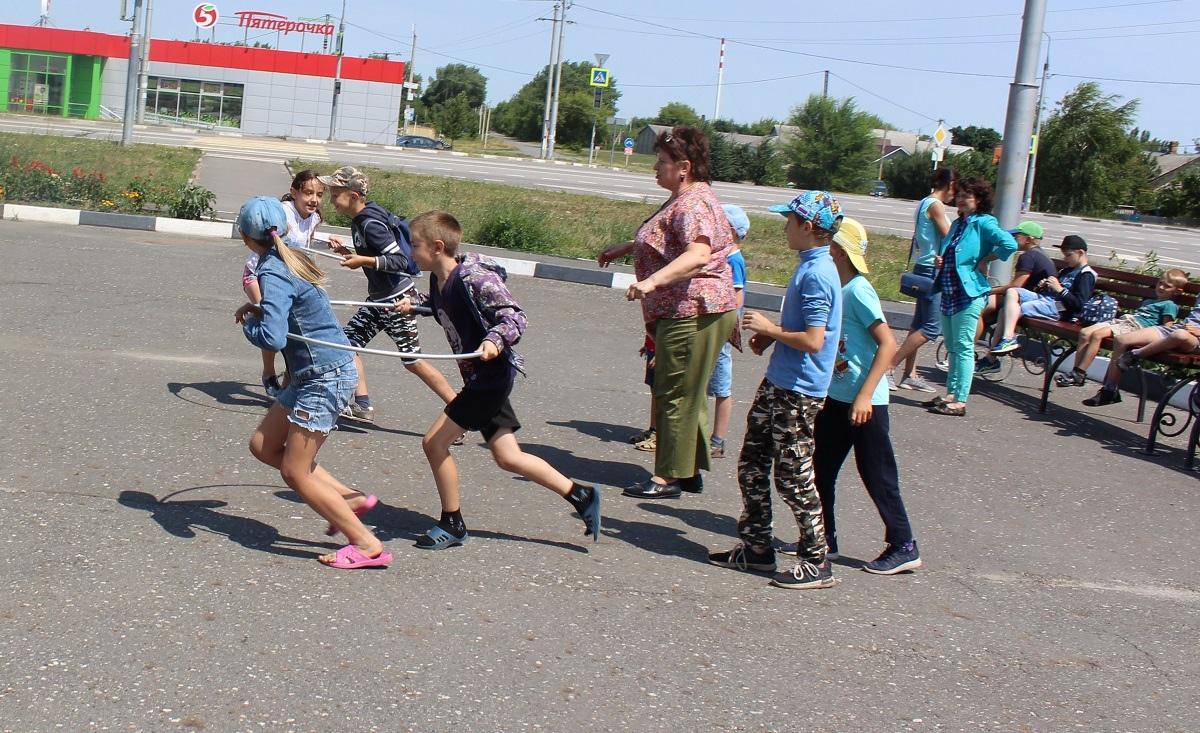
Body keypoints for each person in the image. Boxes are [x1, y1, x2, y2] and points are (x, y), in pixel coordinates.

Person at [395, 211, 601, 549]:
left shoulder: (475, 280)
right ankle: (581, 496)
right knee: (508, 457)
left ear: (437, 247)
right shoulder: (437, 279)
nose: (409, 251)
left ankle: (453, 523)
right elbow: (441, 304)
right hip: (482, 378)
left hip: (488, 381)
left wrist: (495, 339)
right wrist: (413, 304)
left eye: (413, 245)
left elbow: (514, 316)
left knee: (434, 443)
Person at [235, 196, 392, 570]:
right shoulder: (290, 254)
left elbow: (272, 338)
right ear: (284, 229)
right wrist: (261, 308)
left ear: (244, 237)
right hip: (314, 372)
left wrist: (252, 325)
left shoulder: (272, 271)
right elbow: (291, 310)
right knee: (263, 445)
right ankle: (347, 498)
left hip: (324, 376)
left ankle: (366, 544)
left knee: (294, 470)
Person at [707, 190, 844, 591]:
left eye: (789, 220)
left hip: (799, 391)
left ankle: (817, 559)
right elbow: (802, 325)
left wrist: (770, 330)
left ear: (807, 227)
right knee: (752, 463)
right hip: (780, 381)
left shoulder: (818, 272)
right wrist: (772, 339)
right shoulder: (809, 265)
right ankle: (757, 548)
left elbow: (817, 340)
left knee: (793, 475)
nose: (784, 226)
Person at [598, 126, 738, 500]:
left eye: (662, 162)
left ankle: (667, 477)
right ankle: (687, 470)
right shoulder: (687, 197)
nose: (655, 168)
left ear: (684, 167)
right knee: (685, 391)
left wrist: (652, 282)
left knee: (674, 392)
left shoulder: (693, 203)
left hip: (691, 310)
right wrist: (627, 247)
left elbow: (698, 254)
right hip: (691, 310)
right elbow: (669, 239)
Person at [813, 218, 921, 574]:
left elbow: (887, 344)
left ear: (837, 251)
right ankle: (822, 538)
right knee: (819, 468)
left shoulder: (859, 290)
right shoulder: (837, 286)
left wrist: (864, 395)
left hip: (866, 402)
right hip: (837, 396)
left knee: (877, 473)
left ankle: (904, 544)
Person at [318, 165, 456, 422]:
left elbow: (399, 261)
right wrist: (347, 253)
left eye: (336, 193)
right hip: (379, 300)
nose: (331, 199)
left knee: (412, 361)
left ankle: (463, 412)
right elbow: (372, 255)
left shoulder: (370, 223)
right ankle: (362, 405)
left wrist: (363, 261)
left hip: (395, 301)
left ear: (354, 196)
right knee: (345, 345)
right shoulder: (360, 221)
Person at [924, 177, 1017, 417]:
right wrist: (942, 261)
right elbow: (954, 252)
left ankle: (960, 400)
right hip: (949, 291)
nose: (961, 199)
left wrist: (986, 259)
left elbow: (1009, 243)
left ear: (979, 199)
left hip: (969, 293)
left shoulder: (983, 222)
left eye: (967, 195)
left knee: (964, 347)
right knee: (953, 347)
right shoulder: (958, 223)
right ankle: (951, 395)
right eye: (960, 194)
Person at [241, 169, 328, 397]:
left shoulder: (315, 217)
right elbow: (287, 245)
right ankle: (269, 374)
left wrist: (329, 244)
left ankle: (291, 381)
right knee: (271, 320)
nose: (314, 199)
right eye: (308, 193)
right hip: (258, 274)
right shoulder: (283, 213)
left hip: (286, 275)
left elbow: (305, 245)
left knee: (290, 328)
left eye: (319, 194)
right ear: (294, 192)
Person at [1054, 269, 1186, 389]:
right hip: (1124, 321)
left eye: (1167, 286)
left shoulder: (1169, 305)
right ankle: (1076, 372)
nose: (1161, 287)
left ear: (1177, 291)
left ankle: (1079, 373)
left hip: (1135, 327)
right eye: (1160, 283)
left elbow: (1166, 328)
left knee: (1097, 335)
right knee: (1085, 332)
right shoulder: (1149, 302)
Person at [888, 168, 955, 393]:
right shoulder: (936, 205)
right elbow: (950, 236)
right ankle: (888, 368)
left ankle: (910, 375)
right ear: (950, 184)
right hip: (931, 270)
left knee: (919, 324)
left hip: (922, 266)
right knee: (931, 327)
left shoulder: (924, 202)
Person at [985, 235, 1096, 366]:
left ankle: (994, 355)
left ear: (1080, 252)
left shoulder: (1086, 274)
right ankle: (1005, 341)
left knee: (1008, 310)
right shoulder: (1068, 270)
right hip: (1047, 300)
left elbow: (1079, 305)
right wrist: (1046, 285)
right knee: (1012, 292)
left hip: (1060, 309)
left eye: (1068, 255)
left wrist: (1060, 289)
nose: (1065, 259)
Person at [1083, 297, 1200, 407]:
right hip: (1179, 329)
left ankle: (1135, 355)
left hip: (1194, 338)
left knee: (1179, 335)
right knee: (1122, 339)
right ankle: (1110, 391)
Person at [708, 203, 749, 458]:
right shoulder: (721, 255)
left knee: (722, 387)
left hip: (721, 333)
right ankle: (701, 434)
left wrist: (726, 327)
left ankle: (717, 439)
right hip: (711, 329)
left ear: (730, 230)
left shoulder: (733, 259)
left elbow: (737, 297)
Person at [975, 220, 1056, 343]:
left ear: (1028, 239)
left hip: (1033, 299)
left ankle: (967, 350)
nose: (1013, 238)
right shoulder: (1040, 254)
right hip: (1036, 298)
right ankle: (991, 354)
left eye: (1016, 236)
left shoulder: (1028, 256)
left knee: (981, 307)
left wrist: (989, 290)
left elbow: (1017, 286)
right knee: (994, 307)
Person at [628, 333, 658, 452]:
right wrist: (648, 343)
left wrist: (661, 351)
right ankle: (653, 429)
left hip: (663, 348)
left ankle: (659, 435)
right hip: (654, 346)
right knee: (654, 389)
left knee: (661, 392)